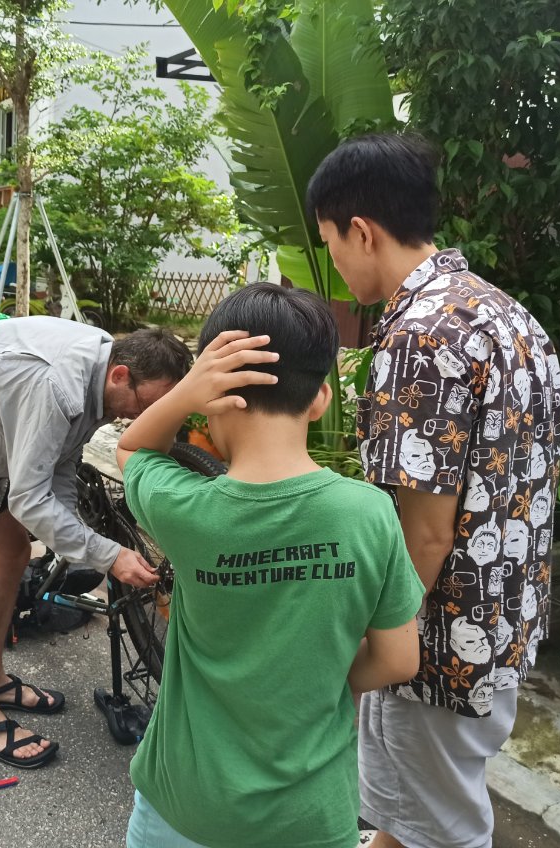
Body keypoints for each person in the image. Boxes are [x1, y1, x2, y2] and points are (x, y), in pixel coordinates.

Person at [307, 132, 560, 848]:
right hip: (503, 619)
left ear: (361, 231)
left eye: (330, 243)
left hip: (437, 645)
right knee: (410, 808)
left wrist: (370, 636)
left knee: (446, 828)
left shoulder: (420, 337)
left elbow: (423, 532)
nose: (333, 262)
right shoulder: (508, 316)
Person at [115, 283, 426, 848]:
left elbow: (133, 450)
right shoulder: (368, 513)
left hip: (184, 804)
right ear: (320, 399)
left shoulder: (187, 507)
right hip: (306, 817)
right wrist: (321, 677)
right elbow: (400, 659)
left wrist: (185, 394)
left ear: (216, 394)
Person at [0, 319, 192, 768]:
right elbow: (30, 500)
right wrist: (107, 554)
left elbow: (60, 468)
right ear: (121, 376)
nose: (141, 417)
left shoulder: (103, 375)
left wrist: (85, 541)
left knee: (12, 552)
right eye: (146, 405)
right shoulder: (59, 386)